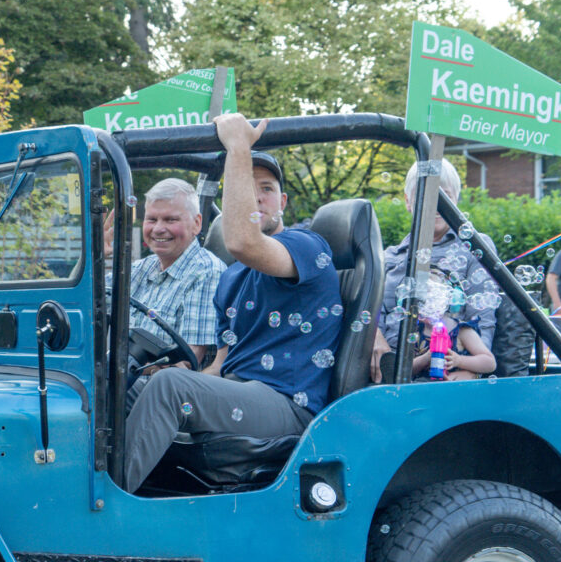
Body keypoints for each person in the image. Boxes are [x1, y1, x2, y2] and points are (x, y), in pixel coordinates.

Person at [122, 114, 342, 493]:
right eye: (246, 186)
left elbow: (243, 240)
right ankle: (75, 486)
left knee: (171, 386)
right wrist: (140, 377)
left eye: (267, 188)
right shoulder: (232, 276)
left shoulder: (307, 247)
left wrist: (239, 148)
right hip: (240, 392)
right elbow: (221, 367)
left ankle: (105, 506)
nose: (256, 196)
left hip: (288, 404)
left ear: (283, 201)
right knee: (120, 385)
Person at [371, 159, 496, 383]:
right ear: (409, 202)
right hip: (393, 372)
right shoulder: (391, 257)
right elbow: (374, 316)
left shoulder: (474, 246)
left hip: (446, 369)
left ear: (455, 201)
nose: (435, 204)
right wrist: (375, 337)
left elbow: (483, 317)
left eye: (444, 196)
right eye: (425, 195)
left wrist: (473, 369)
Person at [106, 178, 226, 368]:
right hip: (121, 379)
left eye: (171, 220)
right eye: (152, 219)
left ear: (196, 224)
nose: (159, 229)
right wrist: (96, 255)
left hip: (169, 390)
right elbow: (85, 304)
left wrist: (116, 371)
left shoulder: (207, 272)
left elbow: (187, 361)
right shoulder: (140, 268)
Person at [405, 269, 496, 381]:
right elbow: (405, 370)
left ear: (449, 299)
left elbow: (490, 362)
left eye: (435, 297)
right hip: (423, 389)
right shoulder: (415, 332)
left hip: (456, 389)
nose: (429, 303)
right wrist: (425, 358)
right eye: (422, 299)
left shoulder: (462, 331)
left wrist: (459, 360)